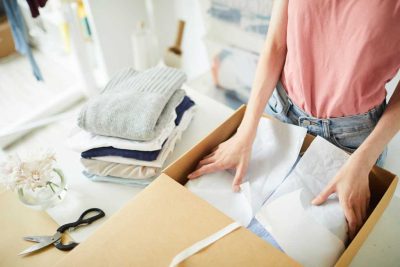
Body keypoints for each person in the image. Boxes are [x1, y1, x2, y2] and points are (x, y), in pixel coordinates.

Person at [188, 0, 400, 240]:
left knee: (290, 246)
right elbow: (277, 44)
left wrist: (364, 161)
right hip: (280, 113)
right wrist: (246, 130)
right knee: (204, 217)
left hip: (352, 143)